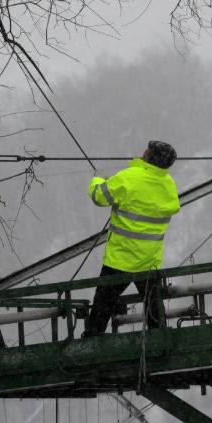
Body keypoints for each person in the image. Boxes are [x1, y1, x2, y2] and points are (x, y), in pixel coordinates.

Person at [82, 141, 180, 337]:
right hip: (149, 260)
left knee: (103, 303)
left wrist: (98, 179)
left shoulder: (129, 178)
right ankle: (159, 339)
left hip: (121, 257)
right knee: (153, 305)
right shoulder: (168, 185)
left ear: (149, 157)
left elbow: (98, 196)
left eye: (148, 150)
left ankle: (92, 341)